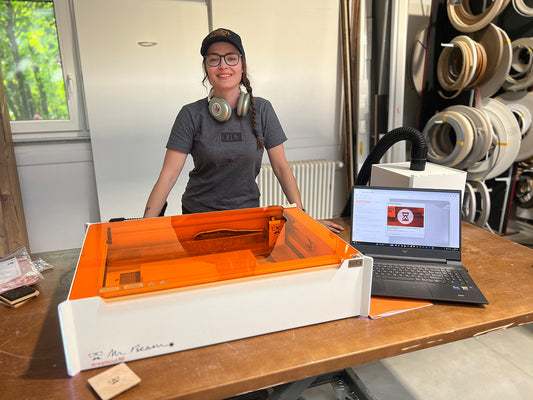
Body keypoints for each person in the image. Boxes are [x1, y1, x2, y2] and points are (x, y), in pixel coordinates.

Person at [143, 28, 343, 233]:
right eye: (214, 59)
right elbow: (168, 175)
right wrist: (143, 227)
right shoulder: (190, 114)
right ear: (206, 68)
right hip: (198, 219)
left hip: (247, 217)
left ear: (242, 65)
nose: (223, 66)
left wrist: (303, 217)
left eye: (231, 58)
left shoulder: (263, 109)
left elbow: (281, 167)